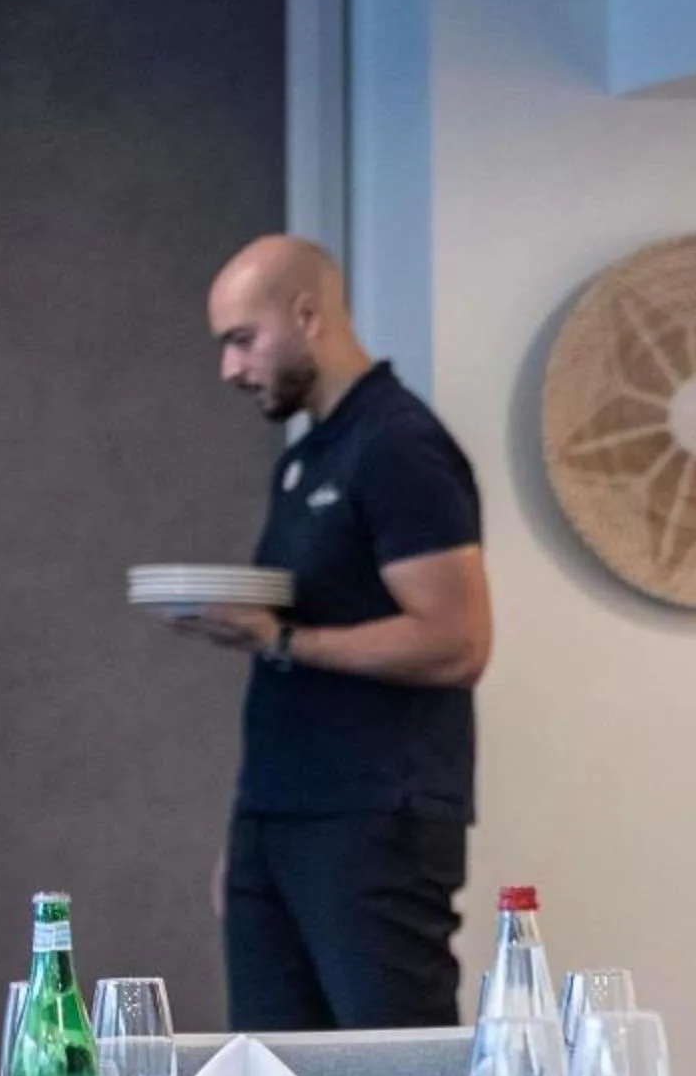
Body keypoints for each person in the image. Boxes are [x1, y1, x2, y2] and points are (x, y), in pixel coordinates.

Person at [169, 235, 492, 1031]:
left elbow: (458, 640)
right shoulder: (307, 457)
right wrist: (251, 835)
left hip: (377, 820)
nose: (231, 369)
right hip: (283, 819)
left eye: (243, 340)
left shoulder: (398, 446)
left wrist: (281, 641)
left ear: (308, 315)